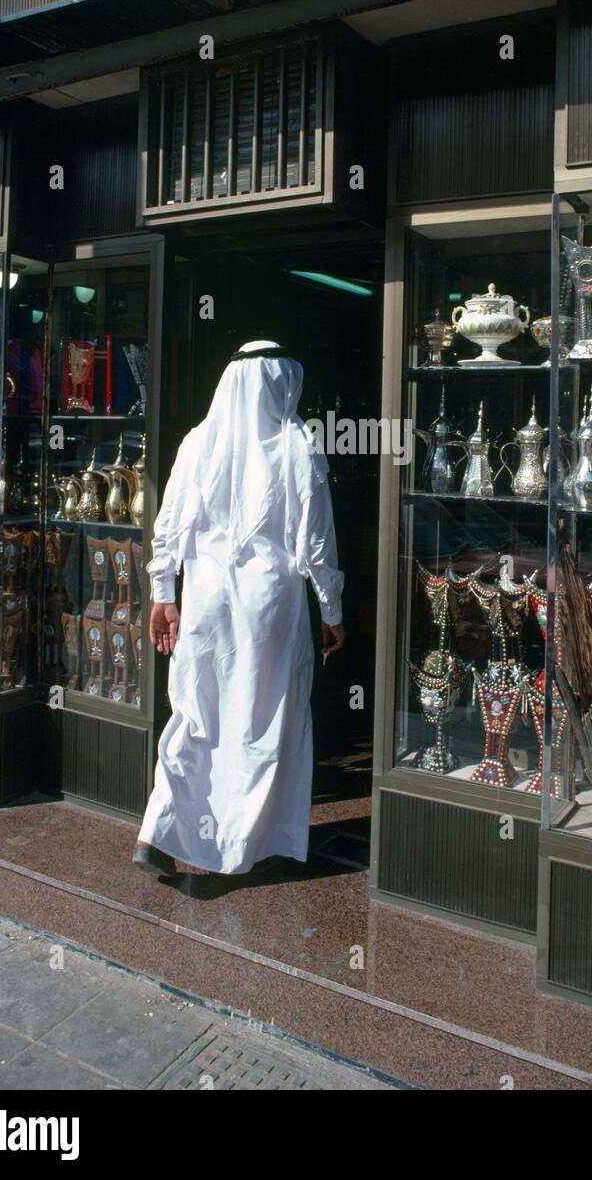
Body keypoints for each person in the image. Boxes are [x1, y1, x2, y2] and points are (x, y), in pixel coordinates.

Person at [133, 341, 345, 880]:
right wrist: (333, 609)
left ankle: (159, 832)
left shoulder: (198, 440)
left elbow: (169, 525)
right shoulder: (299, 443)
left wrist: (163, 593)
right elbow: (315, 540)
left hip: (204, 597)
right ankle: (247, 845)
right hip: (269, 604)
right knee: (262, 721)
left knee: (195, 713)